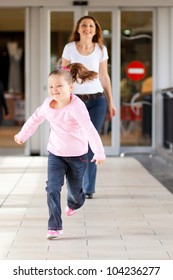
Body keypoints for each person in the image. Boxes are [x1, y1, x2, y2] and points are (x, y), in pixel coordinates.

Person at [14, 63, 106, 240]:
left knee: (75, 192)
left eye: (59, 86)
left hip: (78, 155)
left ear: (70, 87)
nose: (54, 90)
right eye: (50, 86)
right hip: (56, 154)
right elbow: (35, 119)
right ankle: (54, 226)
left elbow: (89, 129)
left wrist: (99, 152)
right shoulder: (48, 104)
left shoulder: (77, 106)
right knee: (52, 188)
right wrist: (22, 135)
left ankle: (75, 203)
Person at [61, 15, 116, 199]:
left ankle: (88, 188)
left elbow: (104, 76)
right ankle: (75, 184)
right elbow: (63, 75)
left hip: (97, 100)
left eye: (91, 26)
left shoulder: (101, 49)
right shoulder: (70, 48)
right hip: (75, 101)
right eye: (84, 25)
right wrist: (61, 100)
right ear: (78, 29)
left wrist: (111, 101)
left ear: (95, 29)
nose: (87, 28)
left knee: (92, 141)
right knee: (77, 142)